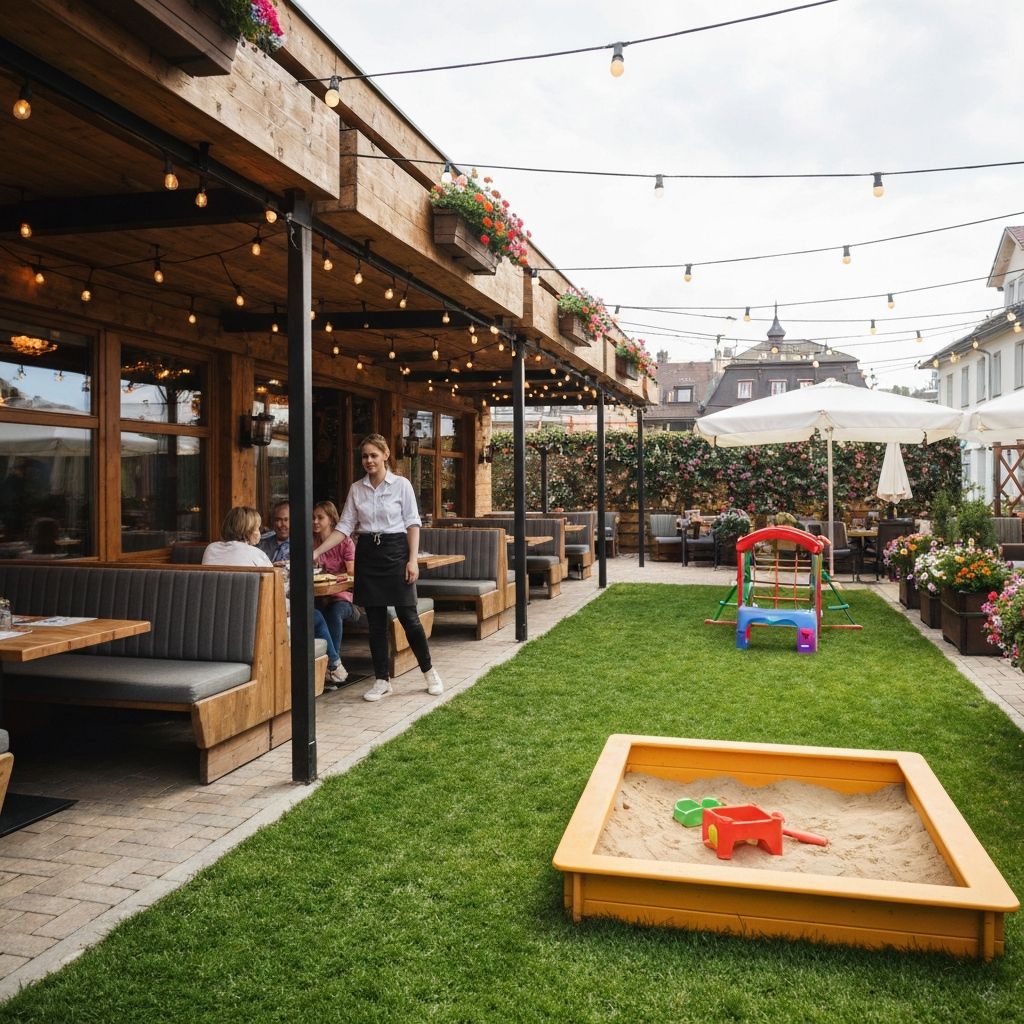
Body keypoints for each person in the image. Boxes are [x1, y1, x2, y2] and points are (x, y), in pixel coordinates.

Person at [313, 433, 442, 702]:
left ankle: (429, 672)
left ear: (385, 456)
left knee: (409, 618)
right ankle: (382, 680)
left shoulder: (402, 485)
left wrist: (412, 559)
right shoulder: (356, 489)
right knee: (375, 623)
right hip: (368, 553)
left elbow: (412, 524)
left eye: (374, 455)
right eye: (365, 456)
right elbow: (345, 527)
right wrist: (316, 551)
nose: (369, 460)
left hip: (396, 552)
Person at [205, 506, 347, 686]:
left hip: (215, 621)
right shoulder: (256, 553)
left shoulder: (211, 549)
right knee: (315, 616)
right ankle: (334, 667)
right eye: (257, 528)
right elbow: (275, 592)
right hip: (256, 624)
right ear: (248, 531)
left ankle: (330, 666)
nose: (260, 532)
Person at [312, 500, 356, 686]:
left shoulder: (345, 543)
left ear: (331, 519)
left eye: (320, 517)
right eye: (313, 517)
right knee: (311, 613)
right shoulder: (311, 541)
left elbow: (352, 575)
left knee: (334, 612)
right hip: (319, 595)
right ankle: (322, 663)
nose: (315, 521)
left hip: (343, 598)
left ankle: (332, 665)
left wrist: (330, 577)